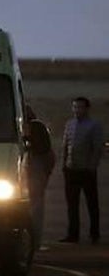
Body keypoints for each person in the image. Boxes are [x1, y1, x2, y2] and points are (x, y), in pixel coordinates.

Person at [59, 97, 104, 244]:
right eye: (75, 107)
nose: (77, 110)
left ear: (87, 109)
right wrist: (64, 164)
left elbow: (97, 147)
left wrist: (92, 166)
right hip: (71, 168)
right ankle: (73, 234)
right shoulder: (69, 124)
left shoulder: (94, 125)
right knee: (72, 204)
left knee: (92, 203)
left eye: (80, 107)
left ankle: (94, 233)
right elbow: (65, 145)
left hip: (86, 169)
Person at [25, 118, 55, 249]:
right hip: (37, 172)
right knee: (36, 208)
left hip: (33, 171)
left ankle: (33, 241)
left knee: (34, 208)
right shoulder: (39, 128)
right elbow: (49, 158)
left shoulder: (33, 130)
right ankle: (34, 241)